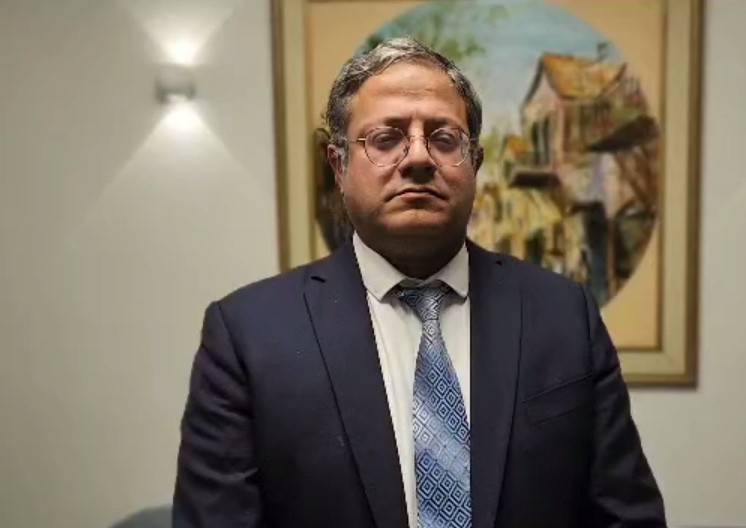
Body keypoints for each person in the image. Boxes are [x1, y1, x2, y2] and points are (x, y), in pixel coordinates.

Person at [173, 37, 666, 528]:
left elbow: (627, 517)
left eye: (444, 138)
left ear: (474, 164)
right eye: (386, 138)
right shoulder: (248, 336)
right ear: (339, 166)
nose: (418, 158)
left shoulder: (564, 316)